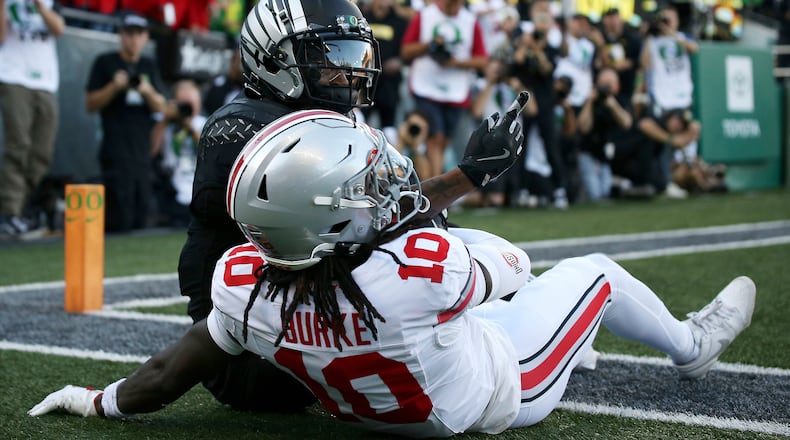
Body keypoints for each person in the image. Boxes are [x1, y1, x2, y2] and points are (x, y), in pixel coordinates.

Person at [28, 110, 757, 438]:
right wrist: (447, 194)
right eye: (360, 189)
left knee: (454, 290)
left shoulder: (246, 283)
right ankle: (691, 347)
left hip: (388, 388)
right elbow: (511, 264)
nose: (377, 188)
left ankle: (578, 343)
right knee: (588, 273)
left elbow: (163, 374)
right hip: (496, 393)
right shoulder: (419, 271)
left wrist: (95, 403)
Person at [176, 0, 526, 413]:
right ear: (272, 58)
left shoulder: (322, 118)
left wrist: (460, 183)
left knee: (444, 238)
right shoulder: (242, 128)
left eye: (349, 55)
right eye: (326, 58)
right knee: (442, 256)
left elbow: (394, 206)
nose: (345, 73)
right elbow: (377, 219)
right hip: (251, 354)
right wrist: (463, 179)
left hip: (303, 317)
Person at [85, 10, 166, 232]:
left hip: (141, 150)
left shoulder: (148, 65)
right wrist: (115, 86)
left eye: (139, 33)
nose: (134, 39)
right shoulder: (105, 62)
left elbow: (162, 107)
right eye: (129, 33)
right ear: (121, 35)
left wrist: (146, 90)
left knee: (140, 216)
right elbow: (90, 104)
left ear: (146, 37)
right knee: (118, 216)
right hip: (115, 148)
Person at [400, 0, 489, 178]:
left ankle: (430, 185)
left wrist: (455, 62)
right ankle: (433, 187)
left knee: (443, 141)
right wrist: (430, 45)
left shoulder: (470, 21)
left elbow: (482, 60)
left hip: (455, 91)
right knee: (435, 138)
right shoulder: (425, 16)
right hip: (425, 86)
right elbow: (406, 51)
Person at [0, 0, 65, 239]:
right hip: (13, 76)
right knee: (18, 145)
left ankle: (18, 207)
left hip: (46, 81)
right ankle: (9, 213)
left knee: (41, 153)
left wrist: (39, 5)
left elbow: (59, 29)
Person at [150, 79, 206, 227]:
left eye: (191, 103)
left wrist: (191, 129)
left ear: (198, 103)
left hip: (200, 193)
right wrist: (166, 119)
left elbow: (207, 152)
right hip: (171, 192)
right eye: (183, 103)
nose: (186, 108)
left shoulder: (205, 124)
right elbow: (152, 150)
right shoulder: (164, 123)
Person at [576, 67, 632, 202]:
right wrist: (590, 101)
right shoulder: (589, 101)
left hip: (607, 154)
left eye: (609, 83)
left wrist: (613, 105)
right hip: (588, 151)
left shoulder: (619, 101)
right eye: (603, 83)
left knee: (605, 193)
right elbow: (583, 127)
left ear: (617, 86)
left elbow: (627, 123)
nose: (605, 87)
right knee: (595, 195)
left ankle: (619, 183)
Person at [359, 0, 408, 132]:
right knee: (359, 120)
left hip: (389, 82)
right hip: (365, 80)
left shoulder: (400, 22)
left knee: (389, 126)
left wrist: (400, 61)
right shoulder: (362, 18)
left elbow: (406, 50)